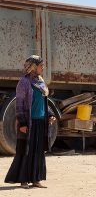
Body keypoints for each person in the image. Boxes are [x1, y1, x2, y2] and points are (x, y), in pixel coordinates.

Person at [5, 55, 56, 189]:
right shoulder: (24, 82)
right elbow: (20, 105)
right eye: (40, 65)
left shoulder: (41, 81)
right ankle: (23, 180)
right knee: (26, 150)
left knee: (38, 151)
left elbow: (43, 102)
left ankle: (36, 179)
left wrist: (49, 115)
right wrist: (22, 123)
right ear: (33, 67)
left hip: (40, 122)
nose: (42, 68)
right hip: (29, 122)